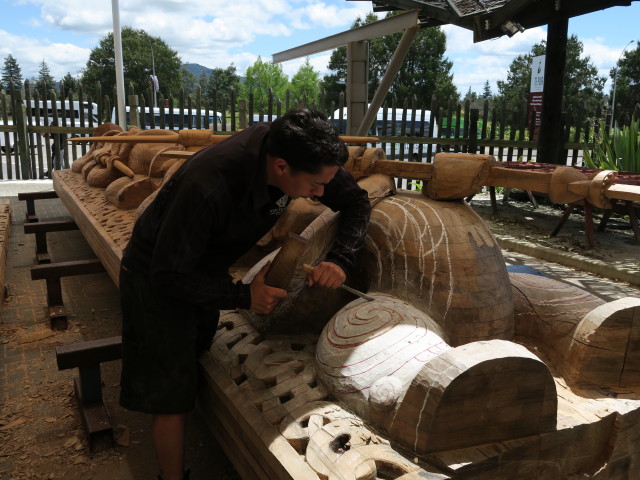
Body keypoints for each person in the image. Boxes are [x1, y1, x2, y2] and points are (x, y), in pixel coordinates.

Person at [119, 108, 372, 480]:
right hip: (154, 278)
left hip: (202, 266)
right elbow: (169, 275)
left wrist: (340, 259)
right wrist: (242, 297)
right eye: (315, 187)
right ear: (282, 167)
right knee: (170, 393)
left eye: (325, 185)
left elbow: (356, 202)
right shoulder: (210, 182)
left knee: (196, 352)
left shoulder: (304, 156)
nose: (321, 194)